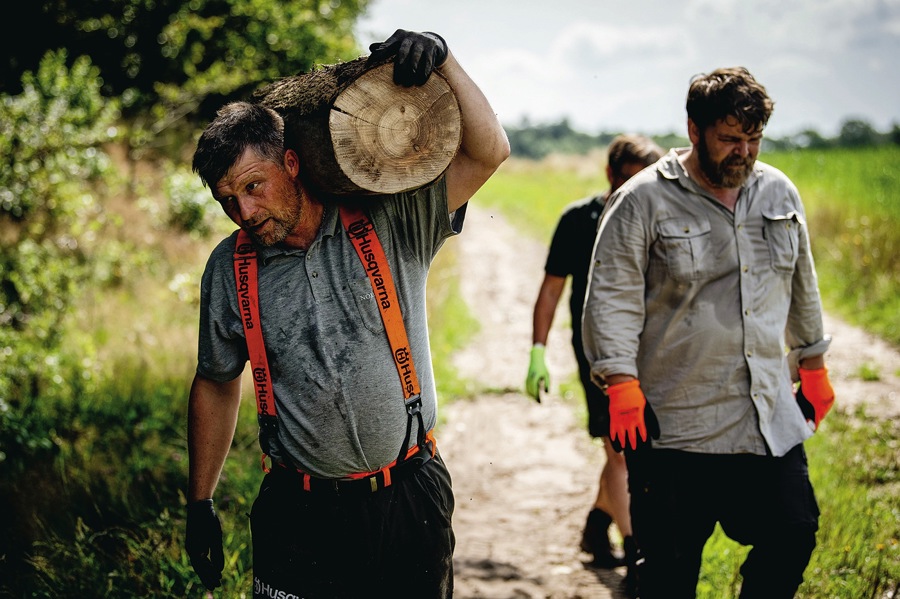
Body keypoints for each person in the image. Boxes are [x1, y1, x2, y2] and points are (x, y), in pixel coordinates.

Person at [184, 29, 510, 598]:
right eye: (227, 199)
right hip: (298, 513)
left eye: (254, 187)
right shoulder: (229, 269)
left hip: (408, 497)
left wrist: (443, 54)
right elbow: (215, 382)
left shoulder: (390, 220)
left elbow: (489, 152)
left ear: (291, 163)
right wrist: (200, 502)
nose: (245, 211)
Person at [581, 66, 835, 598]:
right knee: (668, 576)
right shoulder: (642, 201)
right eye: (729, 139)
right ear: (694, 130)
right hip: (676, 429)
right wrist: (620, 383)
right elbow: (611, 301)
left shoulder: (778, 193)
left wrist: (813, 364)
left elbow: (802, 285)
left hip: (766, 419)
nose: (743, 152)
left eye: (753, 139)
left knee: (794, 532)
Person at [525, 134, 663, 592]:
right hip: (600, 355)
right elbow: (550, 290)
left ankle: (598, 521)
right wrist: (538, 351)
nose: (638, 191)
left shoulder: (663, 217)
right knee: (622, 451)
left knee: (633, 452)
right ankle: (635, 553)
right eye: (628, 180)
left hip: (656, 355)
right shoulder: (578, 220)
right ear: (610, 175)